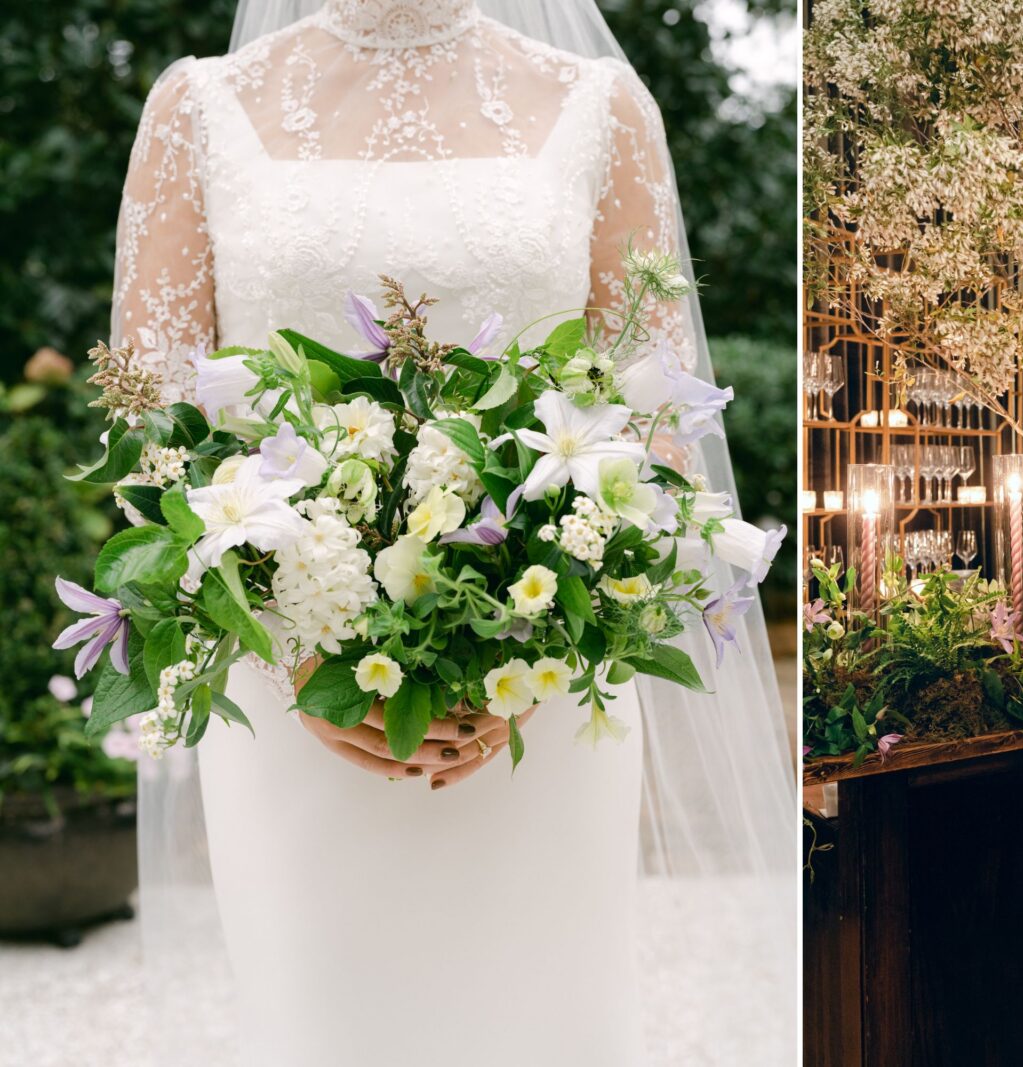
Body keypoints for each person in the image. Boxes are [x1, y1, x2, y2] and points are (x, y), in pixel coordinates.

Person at [113, 2, 796, 1062]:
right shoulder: (199, 108)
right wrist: (298, 649)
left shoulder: (601, 108)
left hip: (537, 696)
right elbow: (151, 435)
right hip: (293, 695)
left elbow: (654, 422)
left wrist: (533, 639)